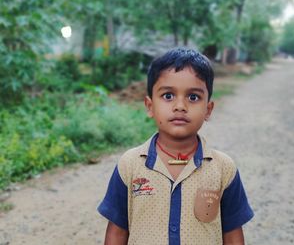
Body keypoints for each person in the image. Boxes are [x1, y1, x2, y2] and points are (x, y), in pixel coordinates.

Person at [98, 48, 254, 245]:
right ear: (149, 106)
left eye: (193, 97)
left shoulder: (223, 169)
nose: (180, 106)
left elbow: (232, 234)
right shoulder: (129, 165)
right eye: (168, 96)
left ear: (208, 109)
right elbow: (117, 231)